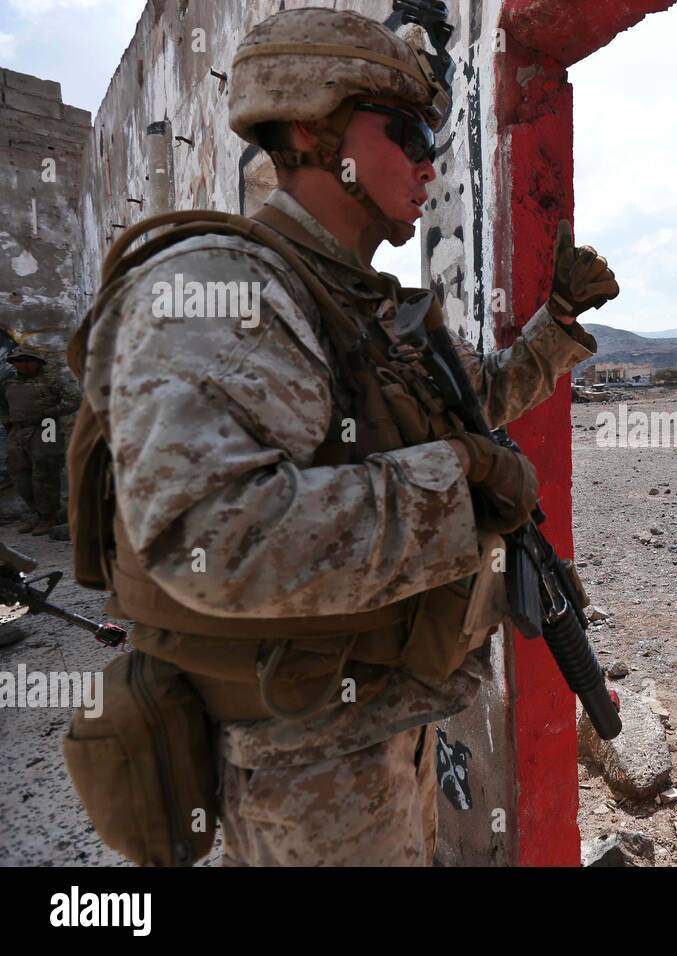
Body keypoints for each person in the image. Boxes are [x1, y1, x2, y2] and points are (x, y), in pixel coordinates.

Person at [69, 7, 617, 866]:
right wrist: (461, 482)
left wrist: (558, 323)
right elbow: (209, 536)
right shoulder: (227, 288)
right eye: (406, 131)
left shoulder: (364, 307)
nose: (429, 160)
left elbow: (476, 400)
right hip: (303, 765)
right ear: (312, 131)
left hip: (388, 724)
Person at [0, 348, 82, 535]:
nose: (24, 364)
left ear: (39, 362)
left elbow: (74, 399)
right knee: (19, 472)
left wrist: (49, 412)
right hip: (18, 429)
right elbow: (2, 404)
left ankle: (48, 516)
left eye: (29, 360)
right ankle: (37, 513)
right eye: (19, 360)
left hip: (46, 426)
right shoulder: (8, 382)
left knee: (45, 470)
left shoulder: (52, 379)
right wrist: (7, 420)